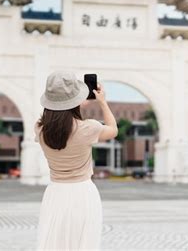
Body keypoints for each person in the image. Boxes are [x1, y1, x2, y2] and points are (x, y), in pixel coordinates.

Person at [35, 71, 118, 250]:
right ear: (76, 102)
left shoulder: (40, 129)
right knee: (83, 243)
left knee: (55, 243)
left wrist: (74, 101)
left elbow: (61, 118)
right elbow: (112, 129)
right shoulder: (88, 128)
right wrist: (102, 101)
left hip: (55, 193)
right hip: (83, 193)